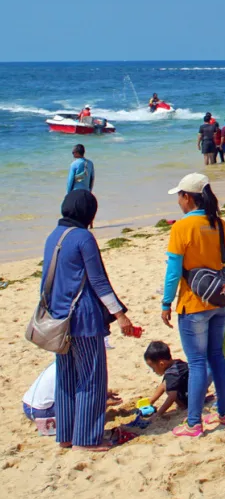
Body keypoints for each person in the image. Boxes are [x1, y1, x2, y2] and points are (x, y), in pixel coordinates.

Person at [42, 190, 134, 450]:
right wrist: (120, 314)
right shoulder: (84, 238)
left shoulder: (53, 237)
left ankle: (67, 436)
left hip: (58, 320)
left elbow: (46, 281)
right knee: (92, 378)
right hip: (84, 319)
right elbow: (98, 281)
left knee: (67, 377)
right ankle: (87, 439)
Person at [161, 173, 225, 438]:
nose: (178, 201)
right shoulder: (221, 225)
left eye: (180, 196)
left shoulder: (181, 228)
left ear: (188, 197)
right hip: (221, 299)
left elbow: (173, 270)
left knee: (197, 362)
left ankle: (194, 423)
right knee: (217, 357)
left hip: (194, 303)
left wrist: (166, 302)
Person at [143, 341, 190, 417]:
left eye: (153, 368)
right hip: (196, 393)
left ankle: (183, 406)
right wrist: (151, 401)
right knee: (167, 384)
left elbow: (172, 397)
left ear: (161, 364)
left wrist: (159, 414)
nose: (153, 371)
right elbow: (163, 385)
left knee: (168, 387)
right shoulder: (177, 363)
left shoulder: (171, 374)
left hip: (189, 399)